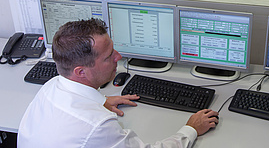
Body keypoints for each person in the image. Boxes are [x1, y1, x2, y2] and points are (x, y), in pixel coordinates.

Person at [18, 18, 219, 148]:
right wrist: (191, 129)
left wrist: (101, 101)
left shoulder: (51, 87)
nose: (118, 56)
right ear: (81, 71)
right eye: (108, 57)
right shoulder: (99, 126)